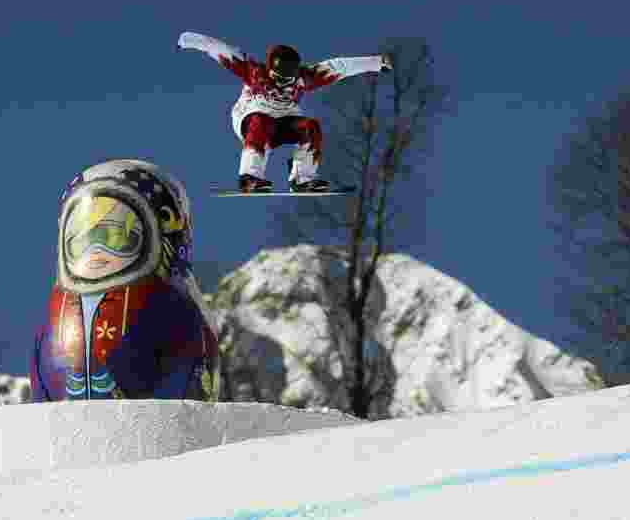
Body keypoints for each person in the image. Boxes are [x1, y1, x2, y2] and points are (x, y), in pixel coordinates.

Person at [30, 159, 219, 402]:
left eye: (117, 236)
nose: (97, 250)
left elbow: (186, 366)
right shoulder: (56, 311)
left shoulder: (170, 304)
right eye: (83, 241)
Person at [177, 31, 393, 193]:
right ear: (270, 70)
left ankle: (302, 178)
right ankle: (250, 176)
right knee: (262, 122)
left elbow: (339, 67)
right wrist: (190, 40)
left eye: (288, 81)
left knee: (310, 127)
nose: (283, 85)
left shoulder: (305, 77)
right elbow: (221, 50)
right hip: (252, 117)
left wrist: (375, 63)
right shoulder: (254, 72)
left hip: (284, 120)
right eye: (278, 79)